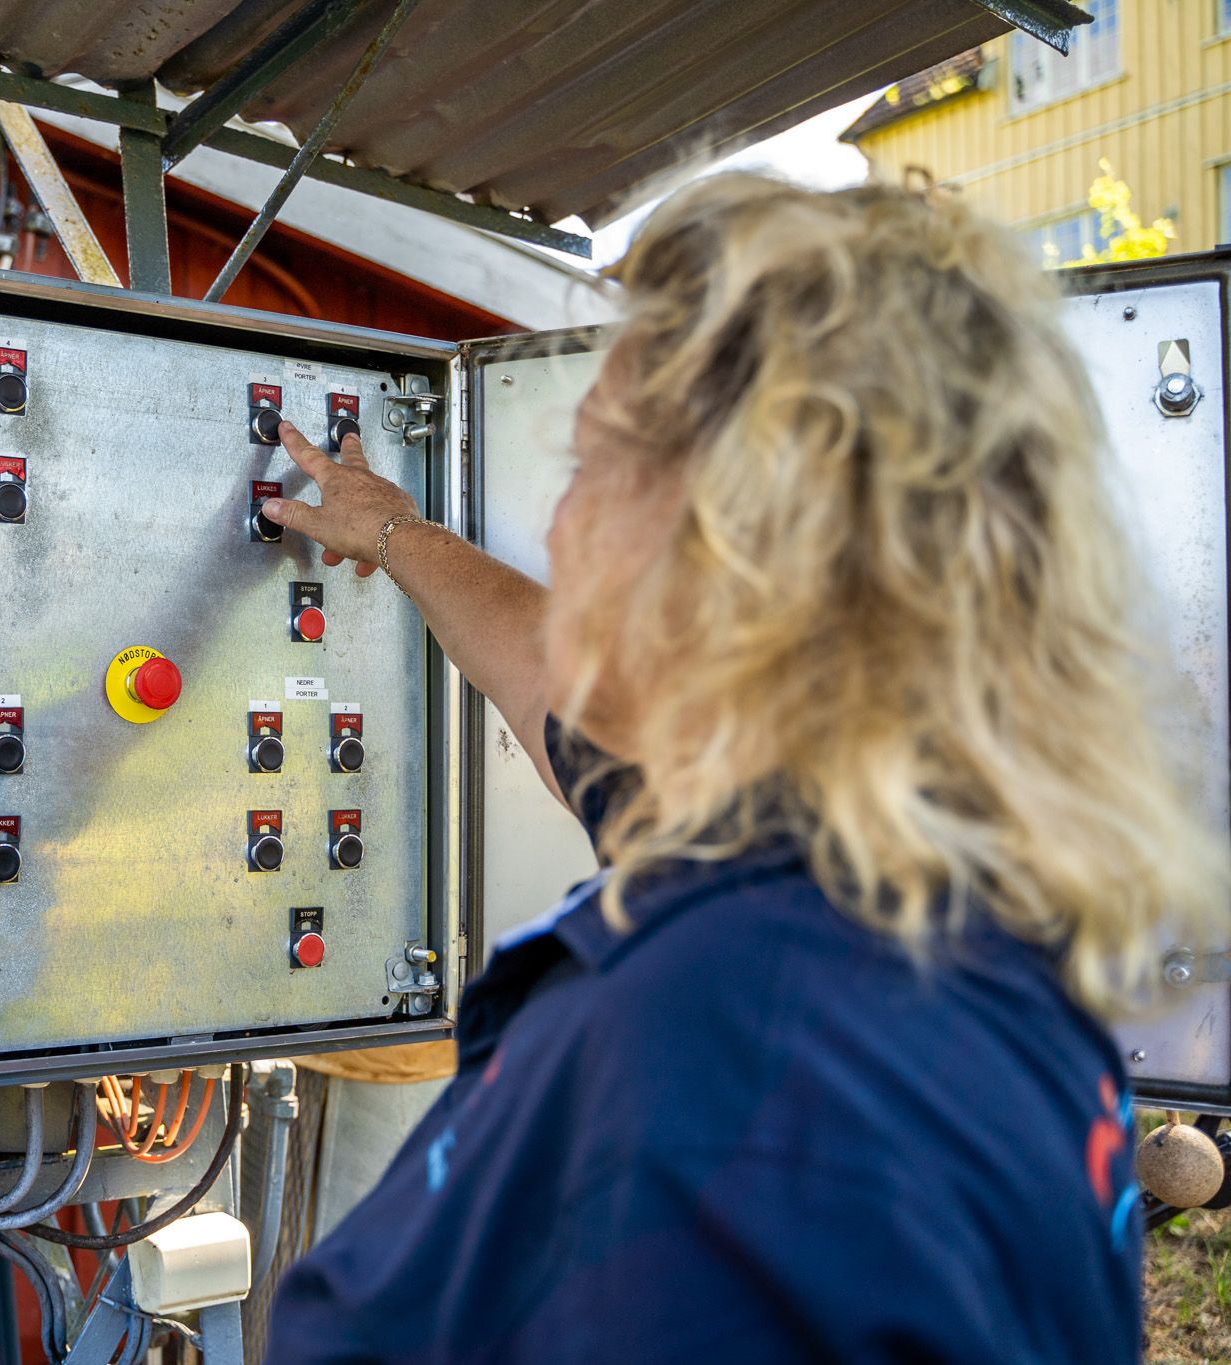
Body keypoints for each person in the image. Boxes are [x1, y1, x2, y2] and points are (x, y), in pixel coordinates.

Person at [258, 173, 1228, 1363]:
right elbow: (552, 689)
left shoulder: (725, 1060)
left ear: (722, 553)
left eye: (590, 465)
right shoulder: (879, 889)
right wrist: (395, 533)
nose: (556, 529)